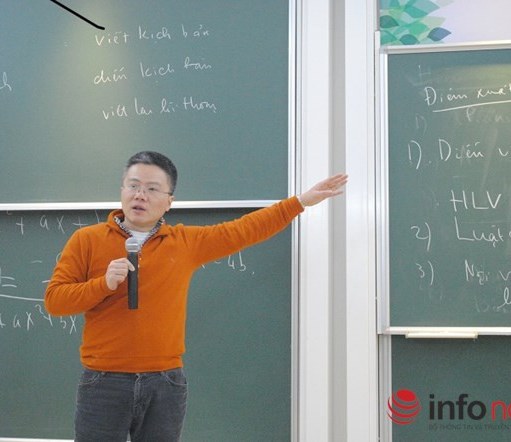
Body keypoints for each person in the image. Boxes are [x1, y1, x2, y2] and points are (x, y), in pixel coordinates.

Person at [44, 151, 347, 442]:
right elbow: (55, 301)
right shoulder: (86, 240)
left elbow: (245, 229)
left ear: (169, 202)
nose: (140, 195)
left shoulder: (185, 242)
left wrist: (299, 202)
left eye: (152, 189)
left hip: (165, 382)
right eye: (133, 186)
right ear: (122, 190)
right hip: (103, 380)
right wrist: (103, 284)